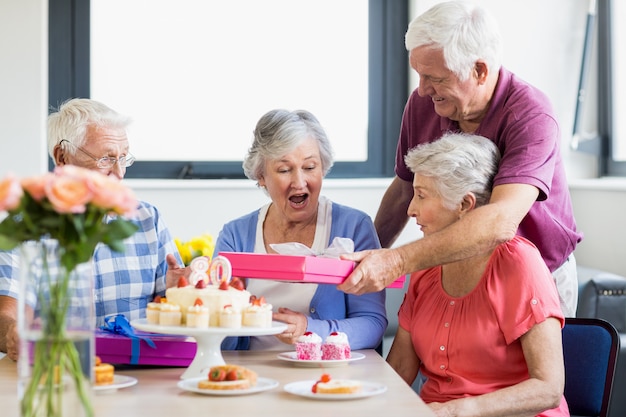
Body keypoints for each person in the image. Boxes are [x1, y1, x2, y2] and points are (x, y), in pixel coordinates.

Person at [339, 1, 583, 318]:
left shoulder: (531, 113)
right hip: (460, 268)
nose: (423, 90)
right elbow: (404, 191)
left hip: (537, 272)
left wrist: (396, 261)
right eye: (419, 75)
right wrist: (362, 260)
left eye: (435, 78)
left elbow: (501, 220)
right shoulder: (422, 104)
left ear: (479, 70)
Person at [386, 132, 568, 416]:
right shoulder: (426, 267)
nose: (411, 209)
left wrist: (456, 411)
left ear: (464, 205)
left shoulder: (518, 263)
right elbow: (399, 369)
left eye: (421, 196)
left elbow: (548, 388)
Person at [0, 98, 188, 361]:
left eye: (123, 158)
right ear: (62, 156)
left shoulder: (147, 218)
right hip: (57, 372)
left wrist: (180, 291)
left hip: (137, 375)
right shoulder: (26, 228)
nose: (119, 173)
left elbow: (169, 312)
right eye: (106, 159)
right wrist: (14, 332)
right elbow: (8, 312)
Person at [215, 109, 387, 351]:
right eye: (285, 170)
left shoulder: (354, 226)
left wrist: (310, 329)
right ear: (261, 175)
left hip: (325, 374)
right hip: (250, 373)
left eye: (309, 167)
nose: (299, 182)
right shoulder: (234, 235)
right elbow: (214, 322)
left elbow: (372, 324)